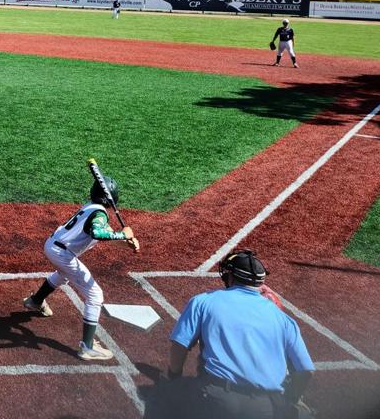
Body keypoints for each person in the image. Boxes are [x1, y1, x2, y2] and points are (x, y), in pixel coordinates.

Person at [165, 249, 314, 419]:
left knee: (163, 397)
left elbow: (179, 346)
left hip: (216, 400)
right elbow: (306, 370)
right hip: (266, 407)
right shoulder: (283, 319)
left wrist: (173, 375)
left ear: (230, 276)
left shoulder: (203, 301)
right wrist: (291, 399)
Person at [22, 175, 139, 361]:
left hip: (54, 247)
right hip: (62, 253)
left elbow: (104, 233)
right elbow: (97, 233)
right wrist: (122, 234)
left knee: (63, 274)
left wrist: (127, 242)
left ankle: (35, 301)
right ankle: (87, 347)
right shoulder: (99, 214)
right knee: (95, 295)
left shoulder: (92, 208)